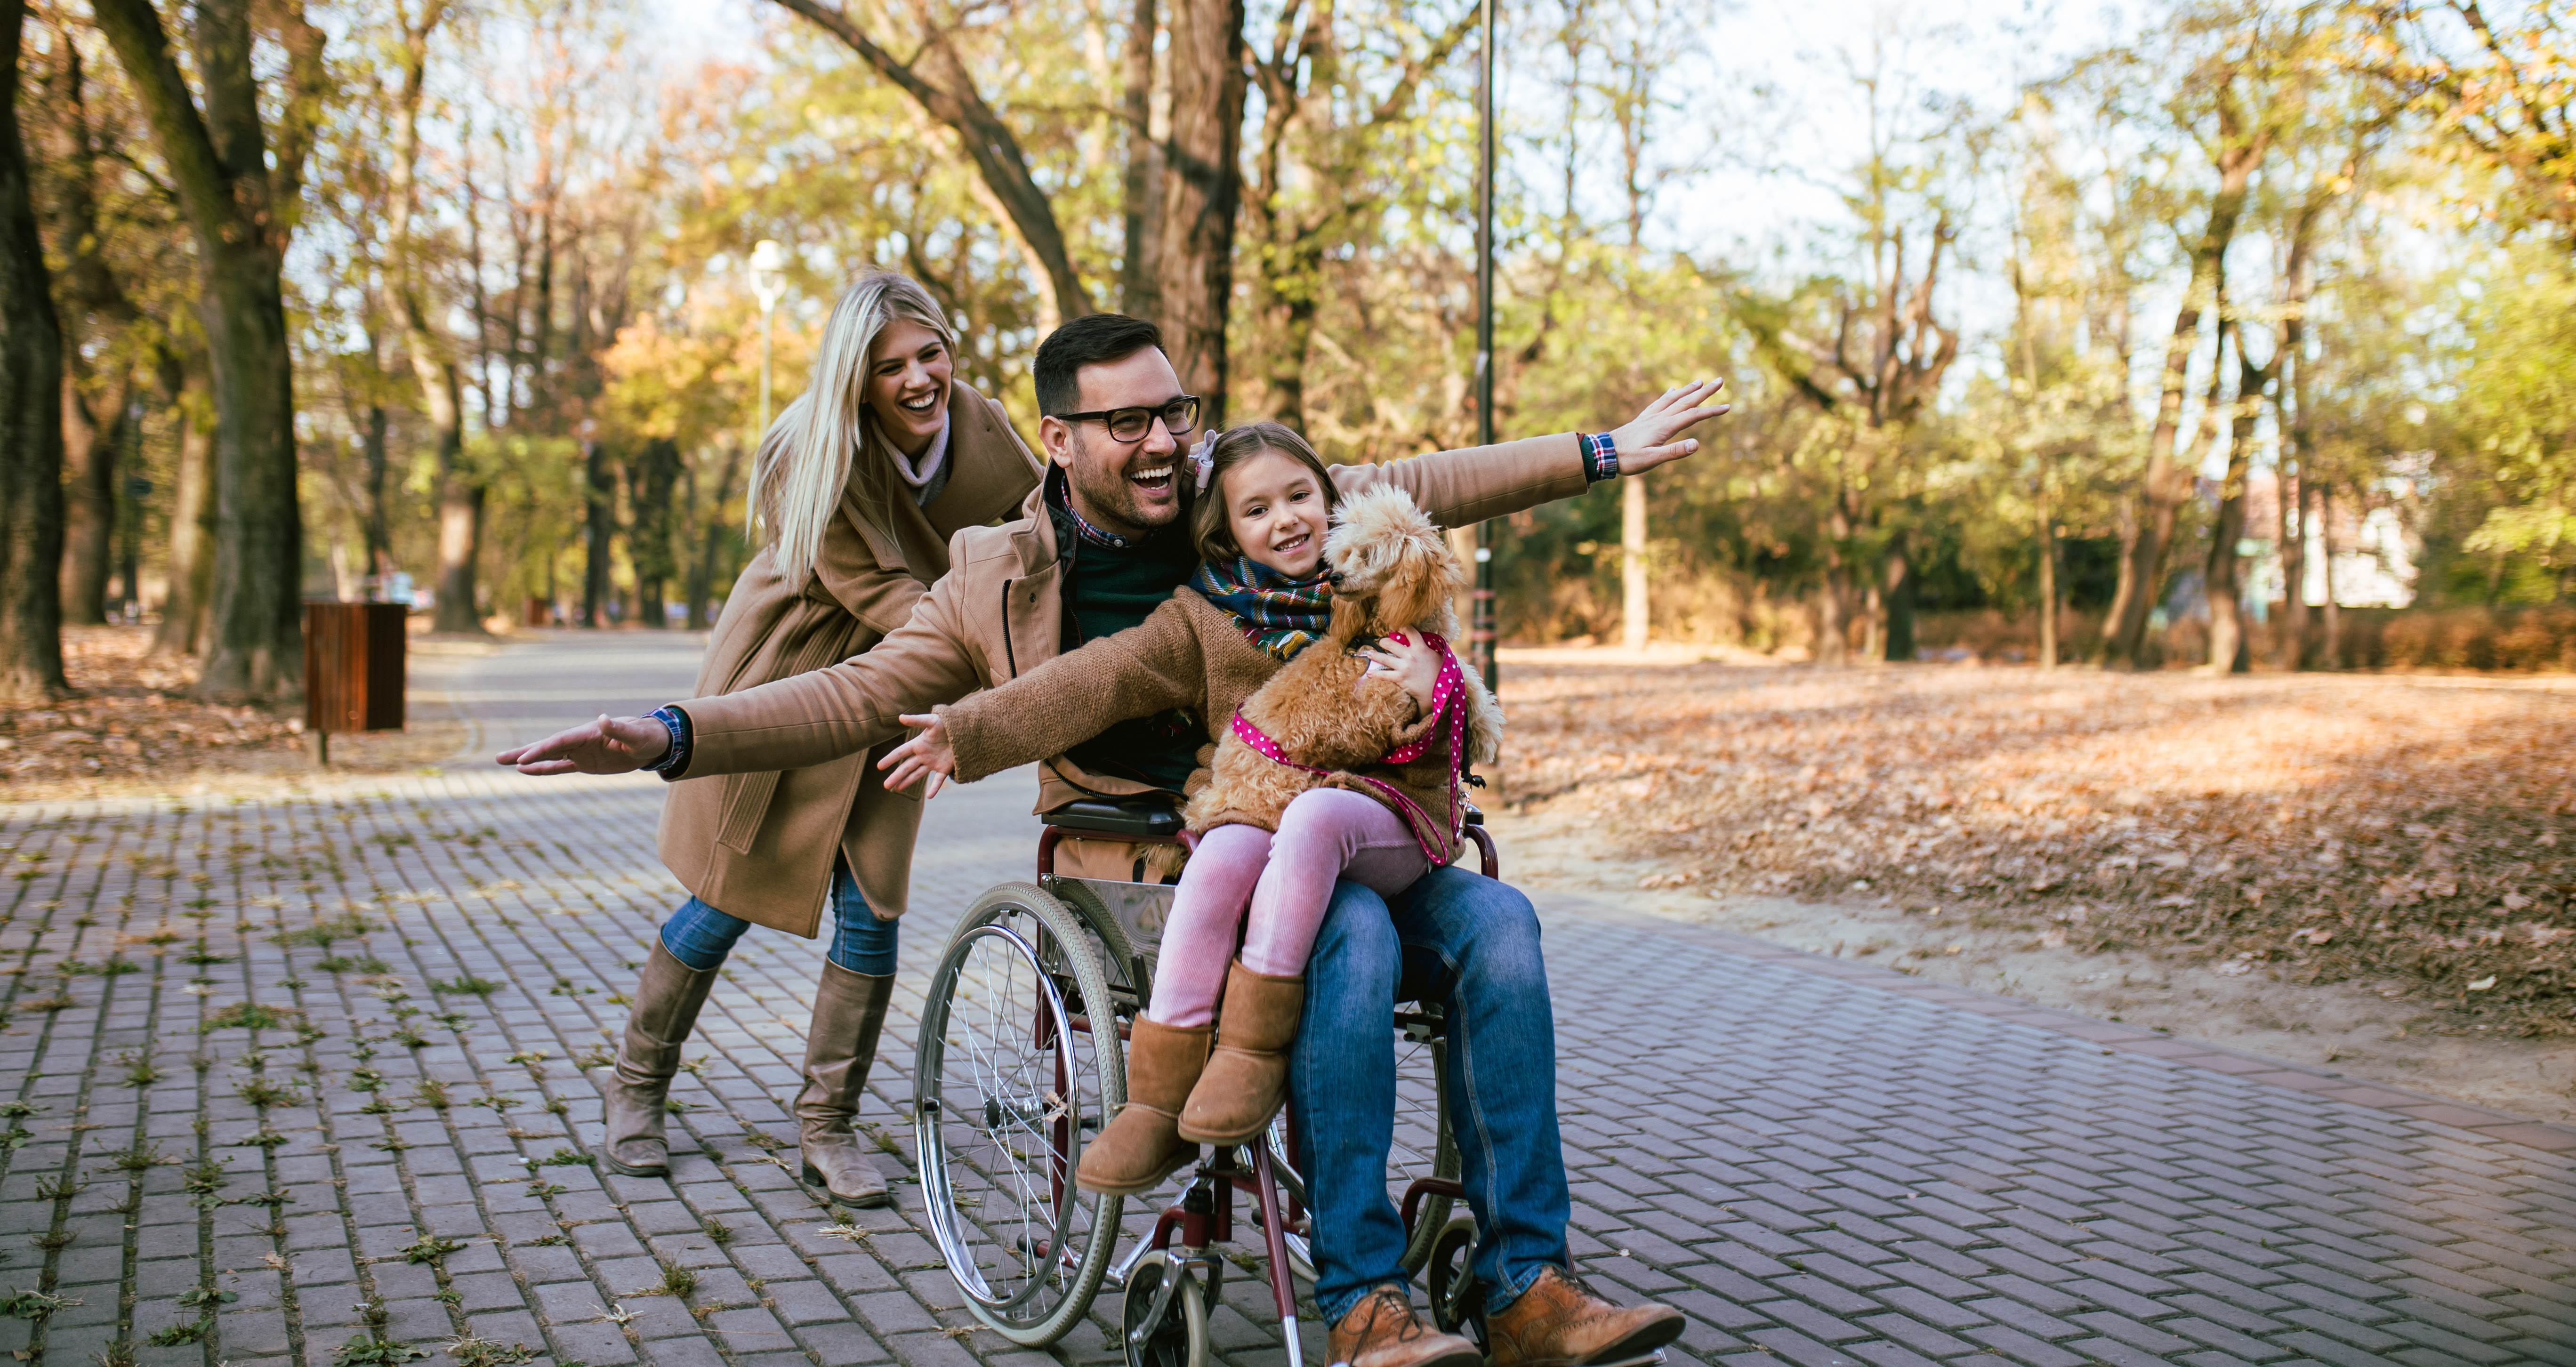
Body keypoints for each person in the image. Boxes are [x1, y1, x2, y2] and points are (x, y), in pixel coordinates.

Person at [498, 312, 1726, 1367]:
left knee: (1502, 922)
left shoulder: (1240, 494)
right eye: (1126, 422)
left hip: (1345, 824)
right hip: (1142, 865)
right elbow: (861, 695)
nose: (1161, 441)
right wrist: (669, 732)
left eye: (1172, 413)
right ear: (1058, 439)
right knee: (1344, 935)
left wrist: (1605, 450)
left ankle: (1524, 1286)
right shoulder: (998, 571)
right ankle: (1360, 1299)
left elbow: (1423, 479)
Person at [872, 424, 1494, 1200]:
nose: (1288, 520)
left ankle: (1263, 1066)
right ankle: (1161, 1099)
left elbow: (1466, 689)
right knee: (1221, 855)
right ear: (1227, 532)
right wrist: (967, 732)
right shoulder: (1202, 619)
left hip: (1382, 823)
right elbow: (1095, 678)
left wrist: (1439, 674)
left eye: (1301, 497)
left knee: (1453, 914)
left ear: (1332, 503)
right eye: (1257, 509)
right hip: (1269, 838)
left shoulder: (1377, 585)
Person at [592, 270, 1045, 1211]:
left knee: (872, 903)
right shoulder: (813, 450)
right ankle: (634, 1088)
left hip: (904, 682)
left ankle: (826, 1125)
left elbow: (1040, 526)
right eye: (891, 367)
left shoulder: (984, 422)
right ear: (855, 379)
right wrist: (992, 653)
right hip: (799, 674)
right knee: (729, 893)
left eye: (931, 354)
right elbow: (878, 597)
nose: (920, 379)